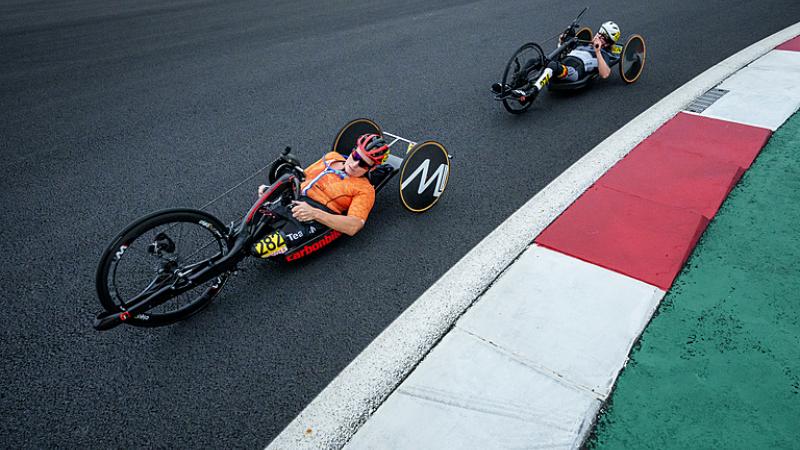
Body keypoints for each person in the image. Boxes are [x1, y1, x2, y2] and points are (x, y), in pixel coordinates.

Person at [256, 133, 390, 245]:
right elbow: (303, 176)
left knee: (258, 249)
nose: (355, 165)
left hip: (312, 217)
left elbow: (354, 226)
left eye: (363, 164)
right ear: (353, 150)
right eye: (356, 156)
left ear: (371, 168)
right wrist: (275, 189)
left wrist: (314, 213)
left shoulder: (365, 190)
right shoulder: (332, 157)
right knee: (247, 228)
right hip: (293, 198)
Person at [511, 21, 622, 99]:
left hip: (574, 70)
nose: (598, 37)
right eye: (599, 33)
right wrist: (561, 42)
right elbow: (563, 53)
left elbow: (605, 74)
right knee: (534, 61)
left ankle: (532, 92)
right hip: (564, 62)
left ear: (608, 43)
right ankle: (512, 86)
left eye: (603, 37)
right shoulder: (583, 43)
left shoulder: (604, 54)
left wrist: (598, 51)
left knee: (553, 66)